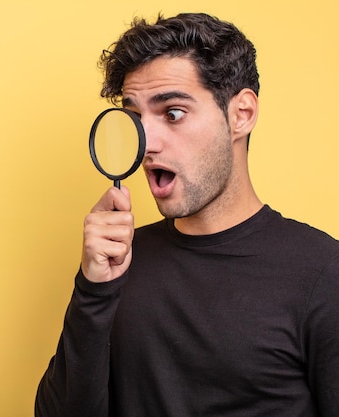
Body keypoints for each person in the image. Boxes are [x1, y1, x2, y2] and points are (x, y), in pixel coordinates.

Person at [35, 12, 339, 417]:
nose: (146, 143)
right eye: (134, 117)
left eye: (173, 113)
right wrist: (94, 290)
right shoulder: (117, 262)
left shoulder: (323, 273)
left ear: (241, 115)